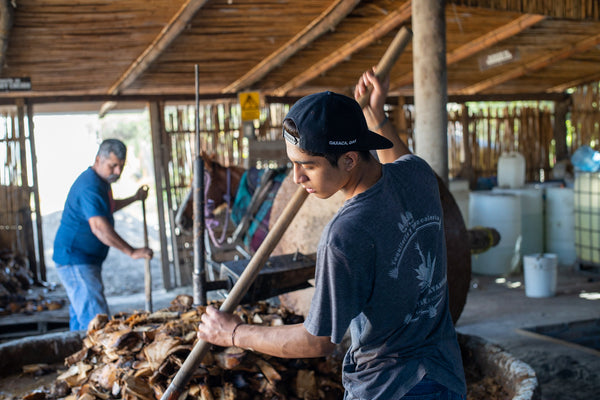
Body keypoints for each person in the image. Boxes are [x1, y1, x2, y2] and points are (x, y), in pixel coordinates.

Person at [197, 70, 467, 399]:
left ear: (350, 159)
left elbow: (318, 341)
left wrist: (235, 332)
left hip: (387, 388)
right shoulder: (419, 175)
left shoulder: (345, 233)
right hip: (446, 375)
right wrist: (377, 115)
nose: (296, 177)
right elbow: (398, 157)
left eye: (308, 165)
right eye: (293, 163)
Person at [53, 138, 153, 331]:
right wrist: (131, 251)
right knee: (95, 322)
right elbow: (99, 227)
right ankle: (93, 359)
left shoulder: (102, 182)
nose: (117, 172)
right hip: (75, 259)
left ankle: (78, 355)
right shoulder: (90, 186)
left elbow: (108, 207)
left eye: (121, 167)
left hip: (82, 259)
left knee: (83, 316)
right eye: (113, 165)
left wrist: (134, 198)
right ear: (98, 159)